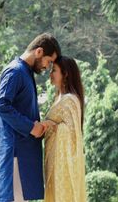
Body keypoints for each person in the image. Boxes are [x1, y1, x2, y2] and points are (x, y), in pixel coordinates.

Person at [0, 33, 62, 202]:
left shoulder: (25, 73)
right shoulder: (15, 71)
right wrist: (31, 127)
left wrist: (40, 126)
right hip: (14, 157)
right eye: (49, 61)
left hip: (21, 156)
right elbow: (1, 105)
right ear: (39, 52)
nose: (47, 67)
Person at [42, 55, 87, 202]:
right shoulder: (58, 99)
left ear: (65, 74)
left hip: (64, 167)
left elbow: (73, 137)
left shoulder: (70, 100)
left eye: (54, 70)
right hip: (53, 163)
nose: (50, 74)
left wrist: (53, 126)